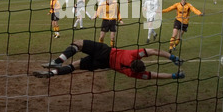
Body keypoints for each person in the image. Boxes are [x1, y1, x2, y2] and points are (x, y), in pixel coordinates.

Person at [33, 39, 185, 80]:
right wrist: (173, 76)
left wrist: (171, 56)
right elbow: (155, 76)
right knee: (75, 66)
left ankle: (58, 61)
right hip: (103, 64)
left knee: (78, 44)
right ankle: (52, 74)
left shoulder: (133, 55)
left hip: (104, 51)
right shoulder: (133, 74)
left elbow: (154, 51)